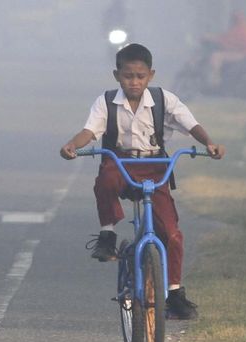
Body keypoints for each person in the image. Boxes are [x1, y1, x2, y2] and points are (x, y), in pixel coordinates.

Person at [60, 44, 225, 320]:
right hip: (121, 161)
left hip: (155, 165)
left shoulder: (164, 100)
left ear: (151, 75)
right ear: (117, 75)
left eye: (140, 76)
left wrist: (209, 143)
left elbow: (190, 124)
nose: (133, 82)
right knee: (105, 181)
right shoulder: (106, 101)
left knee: (171, 233)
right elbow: (90, 131)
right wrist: (71, 145)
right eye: (127, 76)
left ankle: (174, 291)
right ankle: (108, 234)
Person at [203, 10, 246, 87]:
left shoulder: (240, 29)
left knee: (216, 56)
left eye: (233, 19)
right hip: (239, 52)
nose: (232, 21)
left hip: (240, 54)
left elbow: (228, 39)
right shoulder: (239, 28)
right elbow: (226, 37)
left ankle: (215, 80)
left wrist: (212, 38)